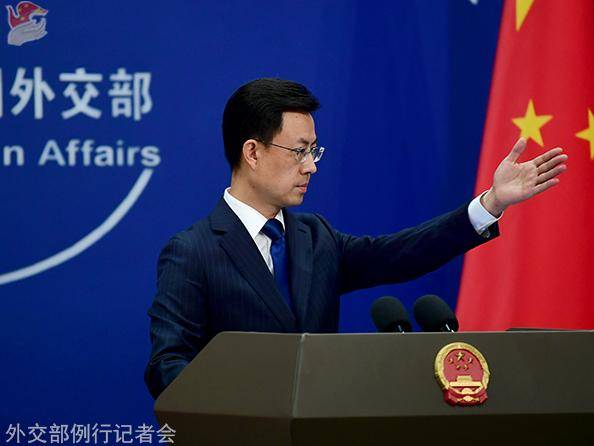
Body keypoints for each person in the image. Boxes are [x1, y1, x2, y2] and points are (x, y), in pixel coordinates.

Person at [144, 78, 567, 399]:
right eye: (299, 151)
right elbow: (167, 365)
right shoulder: (193, 251)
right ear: (252, 152)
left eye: (314, 151)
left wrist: (491, 203)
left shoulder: (315, 238)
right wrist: (238, 404)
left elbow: (400, 254)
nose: (311, 166)